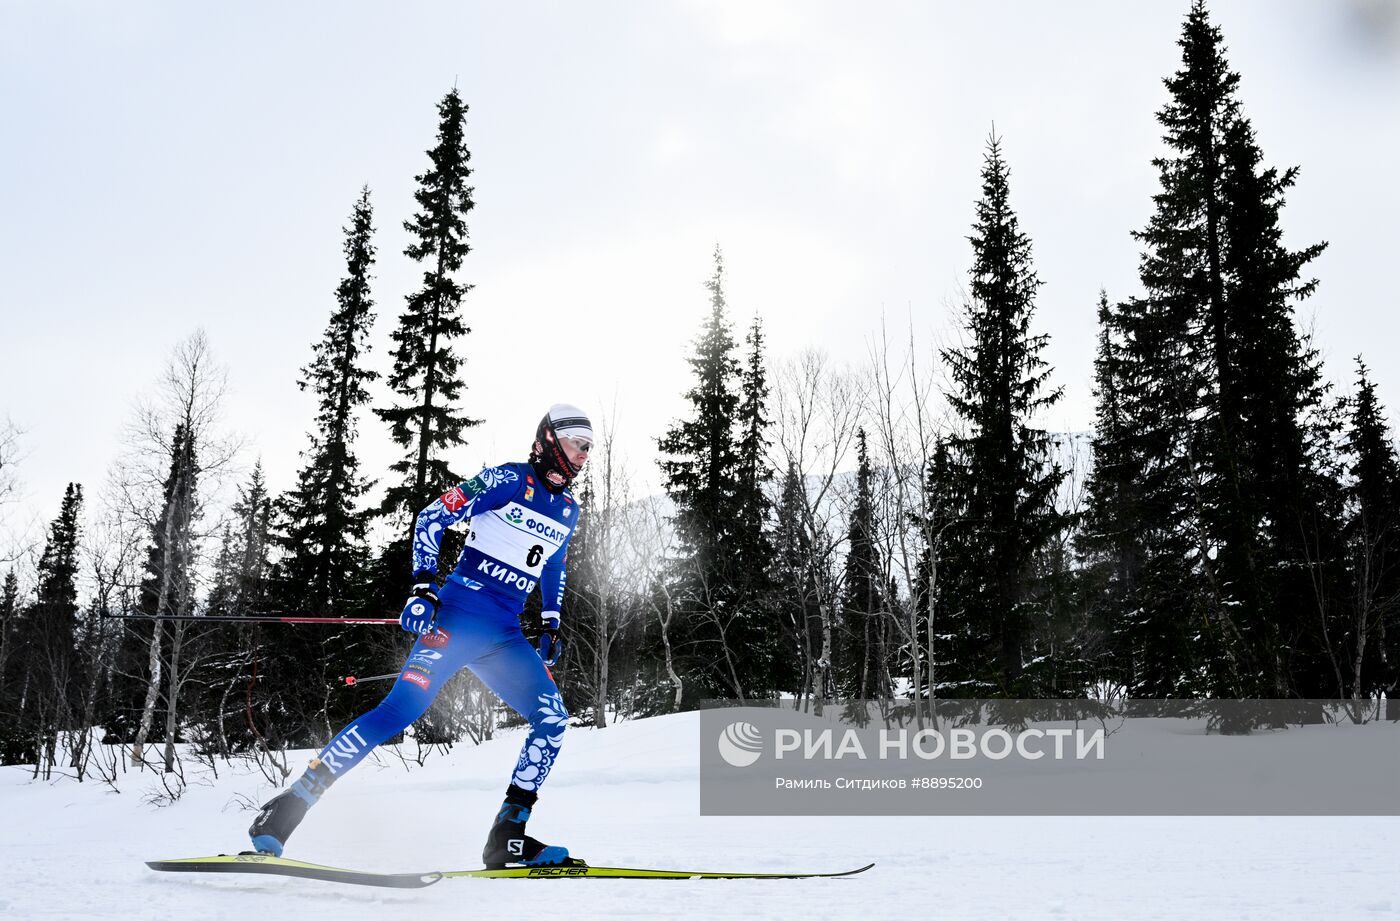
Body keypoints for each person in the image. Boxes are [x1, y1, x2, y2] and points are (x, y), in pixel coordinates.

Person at [248, 404, 592, 869]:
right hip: (456, 620)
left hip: (504, 635)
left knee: (552, 718)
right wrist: (424, 590)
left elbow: (554, 564)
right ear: (550, 441)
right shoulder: (507, 481)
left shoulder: (569, 509)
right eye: (578, 444)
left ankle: (507, 835)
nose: (584, 455)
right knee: (398, 712)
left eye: (589, 447)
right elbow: (432, 517)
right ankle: (289, 806)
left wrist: (551, 621)